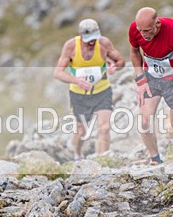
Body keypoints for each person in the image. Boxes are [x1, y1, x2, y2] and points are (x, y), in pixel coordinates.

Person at [129, 7, 173, 165]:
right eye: (140, 31)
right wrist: (140, 80)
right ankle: (155, 160)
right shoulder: (135, 29)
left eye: (147, 31)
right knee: (144, 122)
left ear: (157, 25)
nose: (143, 35)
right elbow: (134, 52)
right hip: (152, 77)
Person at [53, 18, 125, 160]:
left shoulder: (104, 43)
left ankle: (102, 161)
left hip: (102, 91)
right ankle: (77, 153)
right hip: (79, 94)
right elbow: (57, 73)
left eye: (94, 38)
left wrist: (115, 67)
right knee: (82, 130)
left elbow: (121, 61)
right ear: (80, 35)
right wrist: (76, 80)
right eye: (88, 39)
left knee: (104, 128)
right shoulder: (70, 46)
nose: (92, 42)